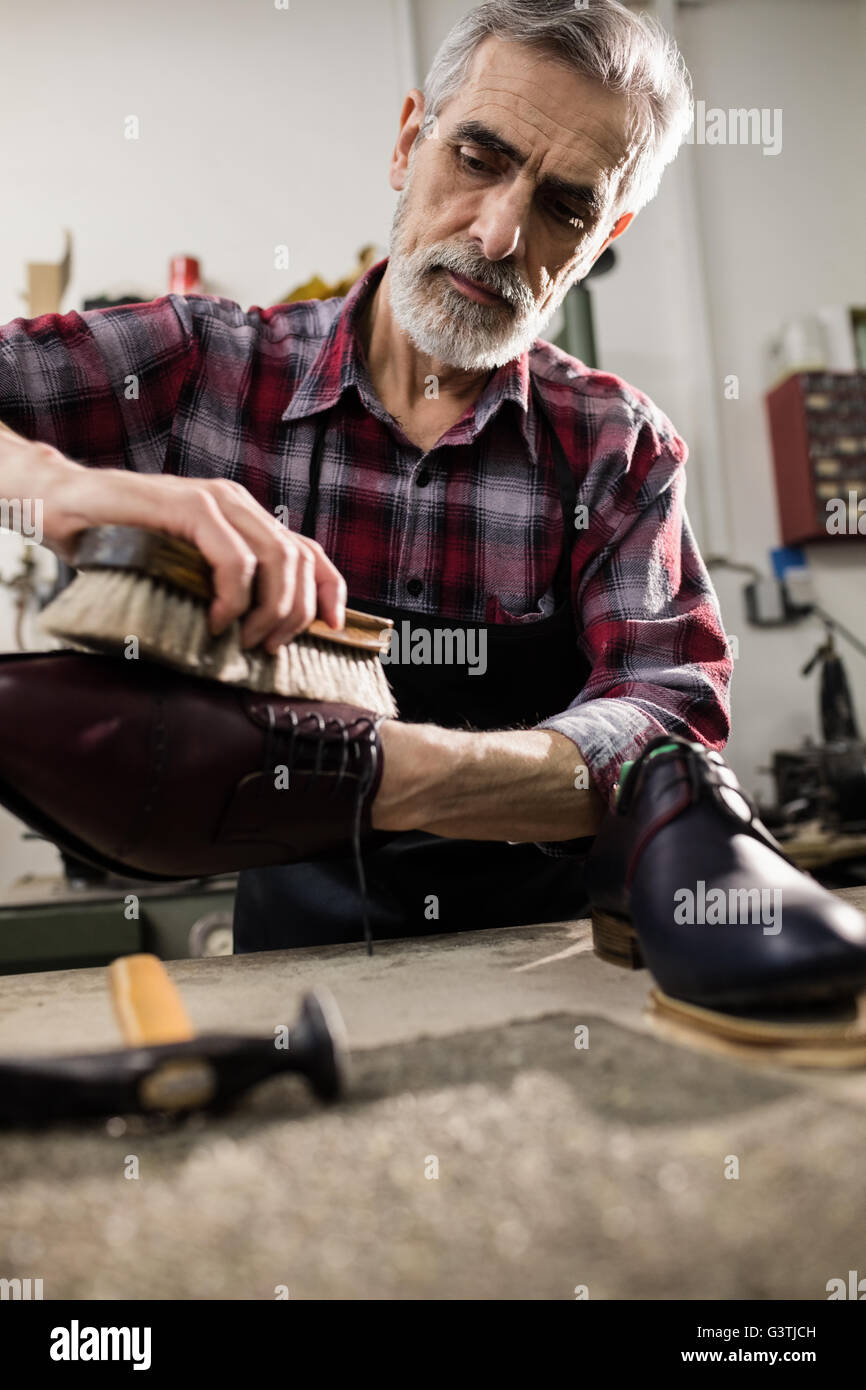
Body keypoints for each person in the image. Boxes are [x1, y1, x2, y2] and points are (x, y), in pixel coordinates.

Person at [0, 0, 731, 952]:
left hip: (547, 980)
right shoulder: (198, 370)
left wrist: (380, 770)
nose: (502, 233)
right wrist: (61, 488)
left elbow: (670, 734)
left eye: (565, 206)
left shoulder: (617, 449)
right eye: (478, 158)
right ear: (407, 143)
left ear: (602, 238)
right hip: (291, 979)